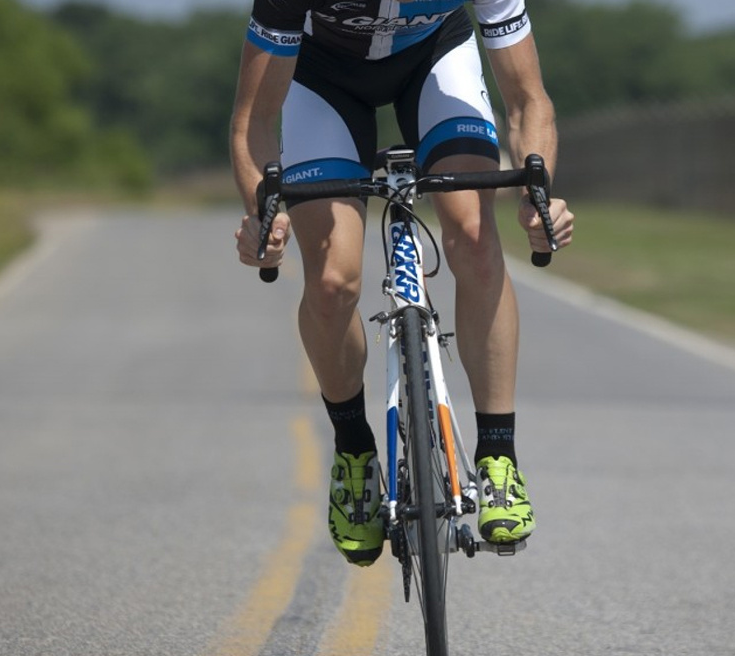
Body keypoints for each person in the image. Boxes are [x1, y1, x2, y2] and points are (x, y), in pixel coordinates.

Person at [231, 0, 574, 567]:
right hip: (319, 76)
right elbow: (253, 121)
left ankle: (498, 459)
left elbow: (528, 100)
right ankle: (354, 453)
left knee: (474, 239)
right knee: (333, 278)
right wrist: (263, 216)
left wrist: (538, 198)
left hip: (433, 59)